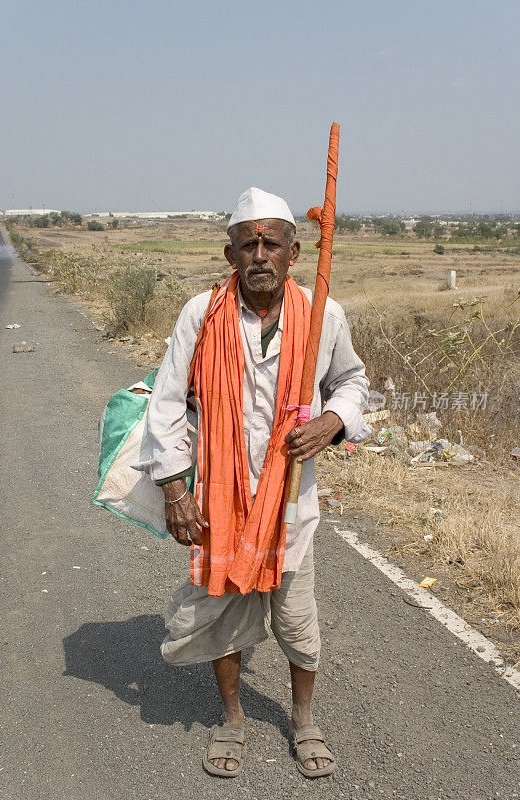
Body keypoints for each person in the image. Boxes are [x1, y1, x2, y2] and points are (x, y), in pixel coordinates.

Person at [135, 187, 370, 778]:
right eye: (248, 244)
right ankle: (233, 719)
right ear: (230, 253)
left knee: (296, 616)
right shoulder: (202, 314)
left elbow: (352, 381)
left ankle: (304, 718)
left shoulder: (323, 315)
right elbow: (165, 403)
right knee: (224, 610)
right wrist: (174, 489)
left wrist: (332, 420)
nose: (260, 254)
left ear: (294, 253)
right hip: (218, 496)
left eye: (272, 243)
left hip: (292, 501)